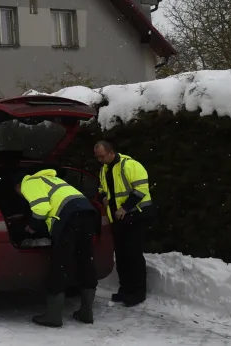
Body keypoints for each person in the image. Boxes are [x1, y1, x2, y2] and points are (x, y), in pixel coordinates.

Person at [16, 169, 98, 327]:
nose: (21, 195)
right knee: (85, 260)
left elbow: (41, 209)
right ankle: (86, 312)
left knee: (61, 264)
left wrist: (31, 228)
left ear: (18, 186)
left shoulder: (28, 183)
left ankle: (53, 316)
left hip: (69, 218)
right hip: (87, 213)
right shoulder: (51, 180)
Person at [94, 140, 153, 307]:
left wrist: (125, 208)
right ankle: (125, 290)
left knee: (133, 255)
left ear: (111, 152)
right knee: (121, 255)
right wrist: (103, 198)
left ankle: (138, 293)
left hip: (136, 215)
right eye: (97, 157)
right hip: (118, 219)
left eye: (102, 156)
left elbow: (141, 190)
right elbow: (101, 189)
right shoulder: (104, 169)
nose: (100, 160)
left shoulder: (130, 165)